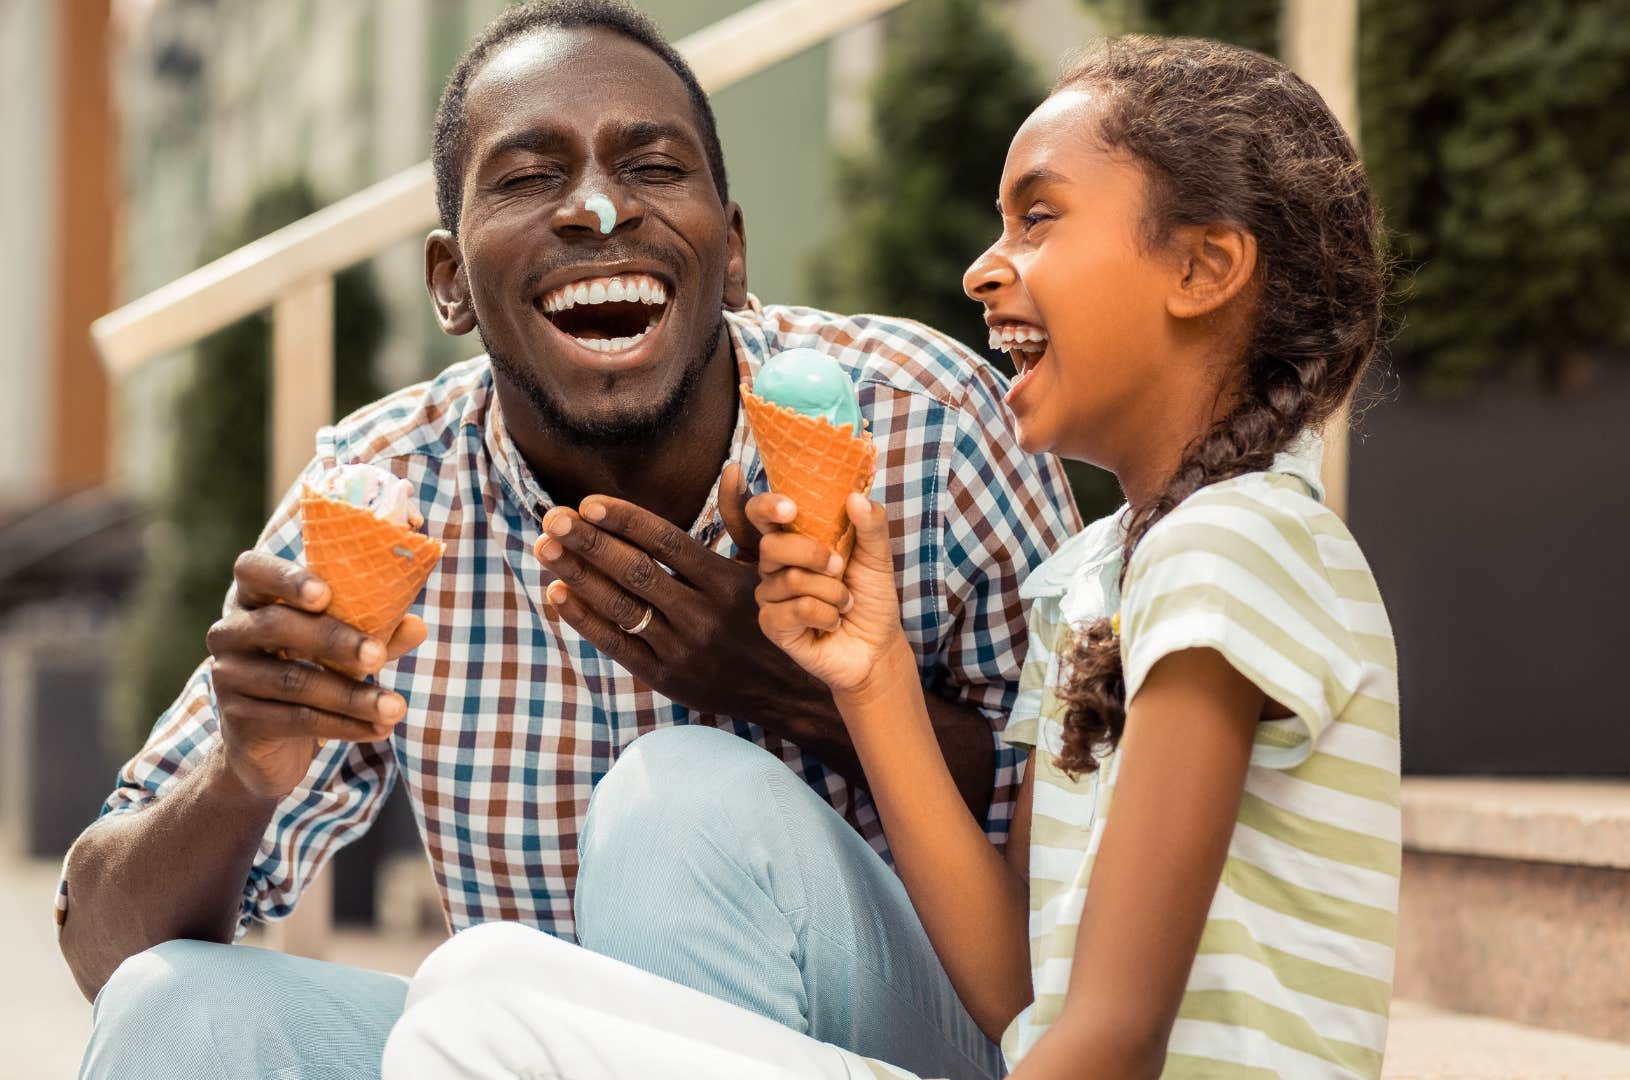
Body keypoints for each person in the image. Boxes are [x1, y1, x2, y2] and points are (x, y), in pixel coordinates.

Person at [58, 3, 1077, 1078]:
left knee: (680, 800)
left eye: (653, 166)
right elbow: (99, 941)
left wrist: (793, 692)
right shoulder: (385, 497)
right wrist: (239, 774)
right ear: (450, 282)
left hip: (920, 1040)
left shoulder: (925, 422)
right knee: (180, 1008)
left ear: (730, 253)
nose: (597, 208)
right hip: (520, 1044)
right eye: (529, 176)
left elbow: (1090, 839)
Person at [385, 33, 1399, 1080]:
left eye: (1037, 219)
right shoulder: (1095, 578)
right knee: (478, 979)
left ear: (1202, 267)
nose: (982, 267)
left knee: (479, 1028)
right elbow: (1022, 991)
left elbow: (1113, 1036)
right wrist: (869, 678)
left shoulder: (1232, 548)